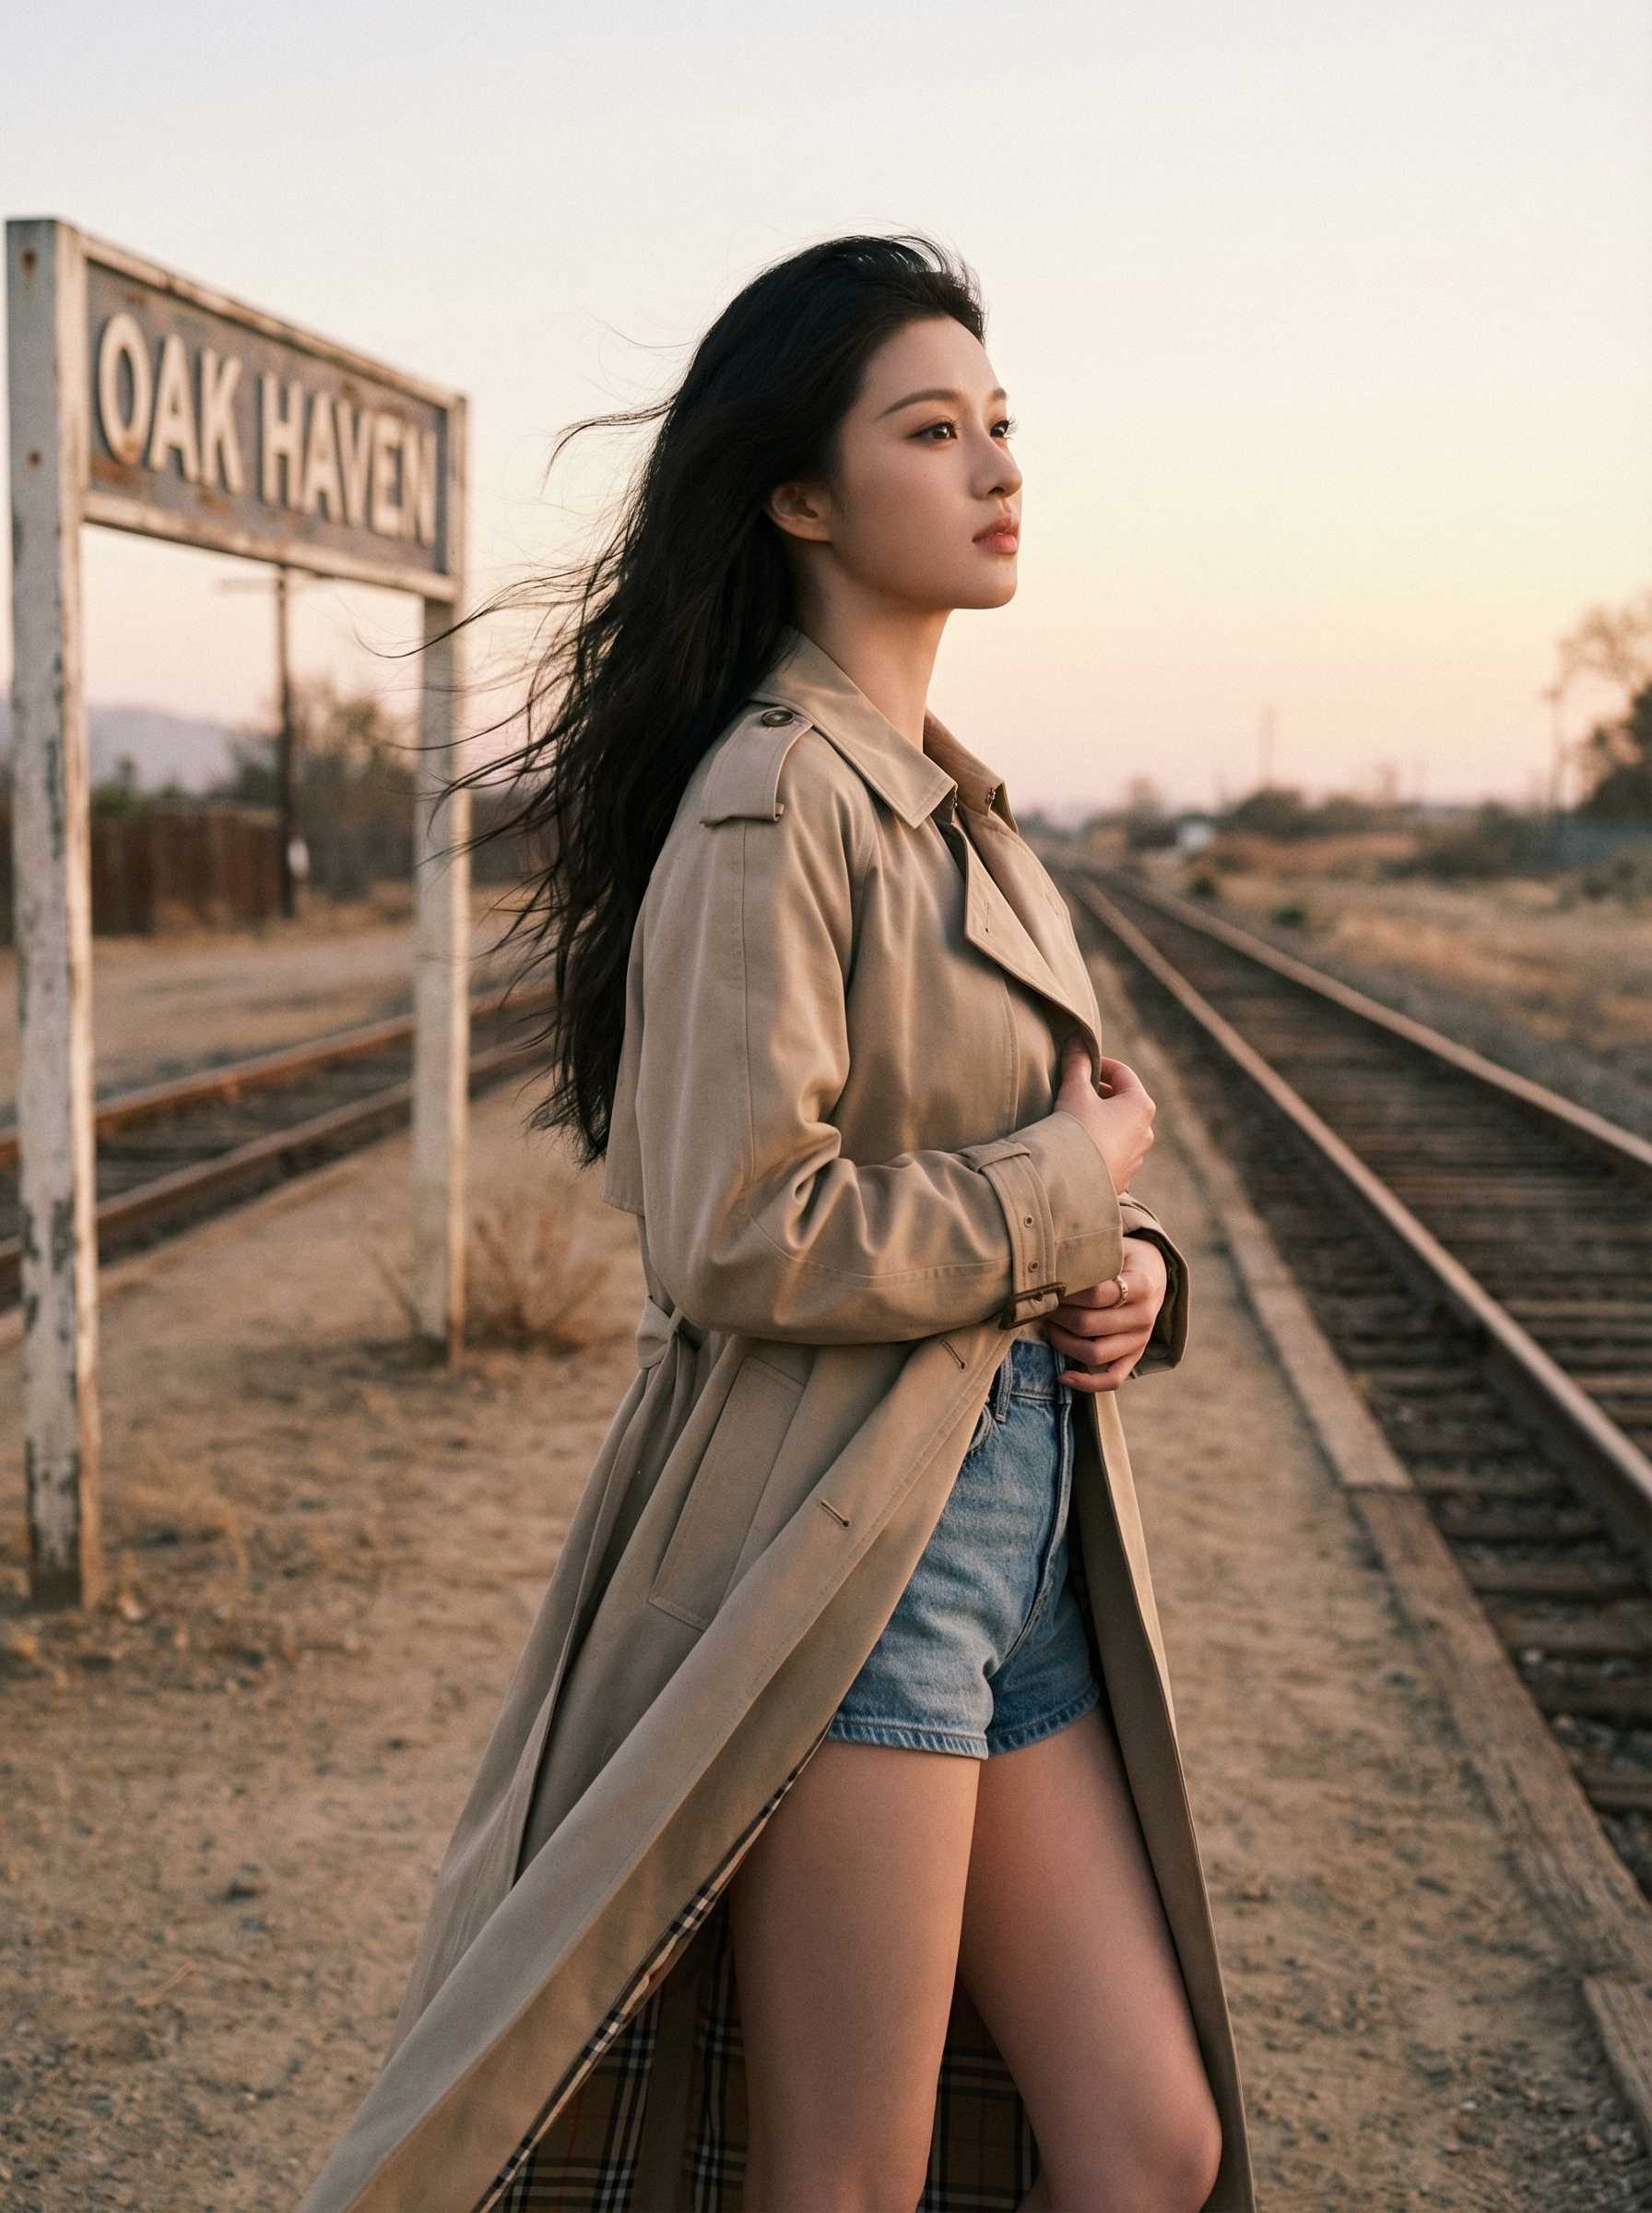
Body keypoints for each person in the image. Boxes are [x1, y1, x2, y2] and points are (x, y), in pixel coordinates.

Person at [301, 236, 1250, 2213]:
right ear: (800, 497)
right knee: (843, 2180)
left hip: (1013, 1526)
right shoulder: (772, 802)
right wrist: (1065, 1198)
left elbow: (1031, 1172)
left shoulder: (953, 805)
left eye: (999, 427)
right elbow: (736, 1228)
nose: (996, 468)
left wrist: (1126, 1272)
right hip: (853, 1540)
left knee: (1148, 2140)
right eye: (930, 430)